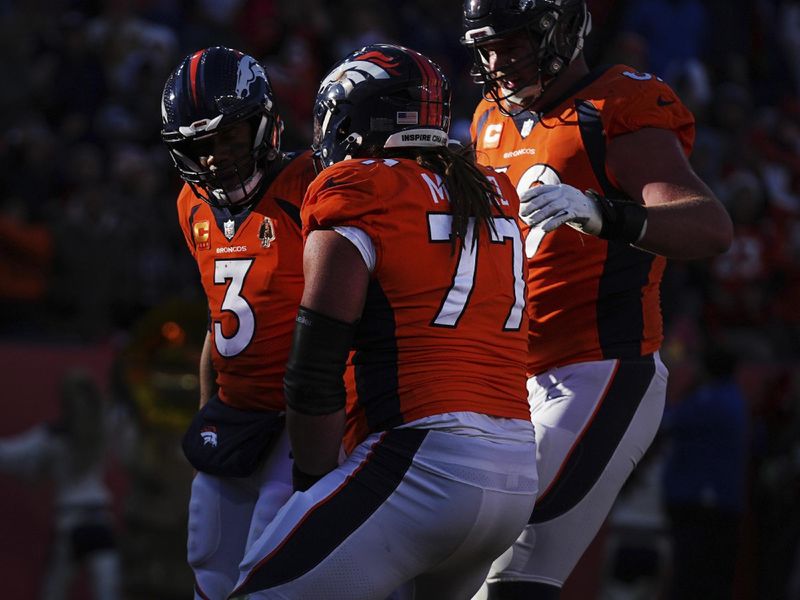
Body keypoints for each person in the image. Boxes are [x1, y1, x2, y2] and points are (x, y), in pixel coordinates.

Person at [227, 43, 538, 600]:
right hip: (515, 471)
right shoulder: (494, 190)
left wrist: (312, 487)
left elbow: (314, 371)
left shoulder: (359, 188)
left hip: (424, 461)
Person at [460, 1, 734, 598]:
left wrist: (604, 213)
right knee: (479, 571)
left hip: (599, 365)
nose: (498, 60)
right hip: (511, 375)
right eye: (487, 46)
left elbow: (709, 226)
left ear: (559, 29)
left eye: (514, 43)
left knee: (502, 553)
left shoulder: (614, 104)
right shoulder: (488, 118)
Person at [160, 46, 317, 600]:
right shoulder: (191, 205)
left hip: (308, 414)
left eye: (227, 138)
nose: (213, 159)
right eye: (199, 146)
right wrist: (211, 408)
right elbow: (216, 317)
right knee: (208, 558)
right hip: (238, 411)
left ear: (264, 124)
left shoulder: (312, 184)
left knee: (272, 567)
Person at [0, 370, 121, 600]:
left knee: (57, 591)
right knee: (104, 591)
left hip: (74, 522)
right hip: (92, 521)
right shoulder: (97, 431)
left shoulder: (55, 438)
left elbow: (9, 455)